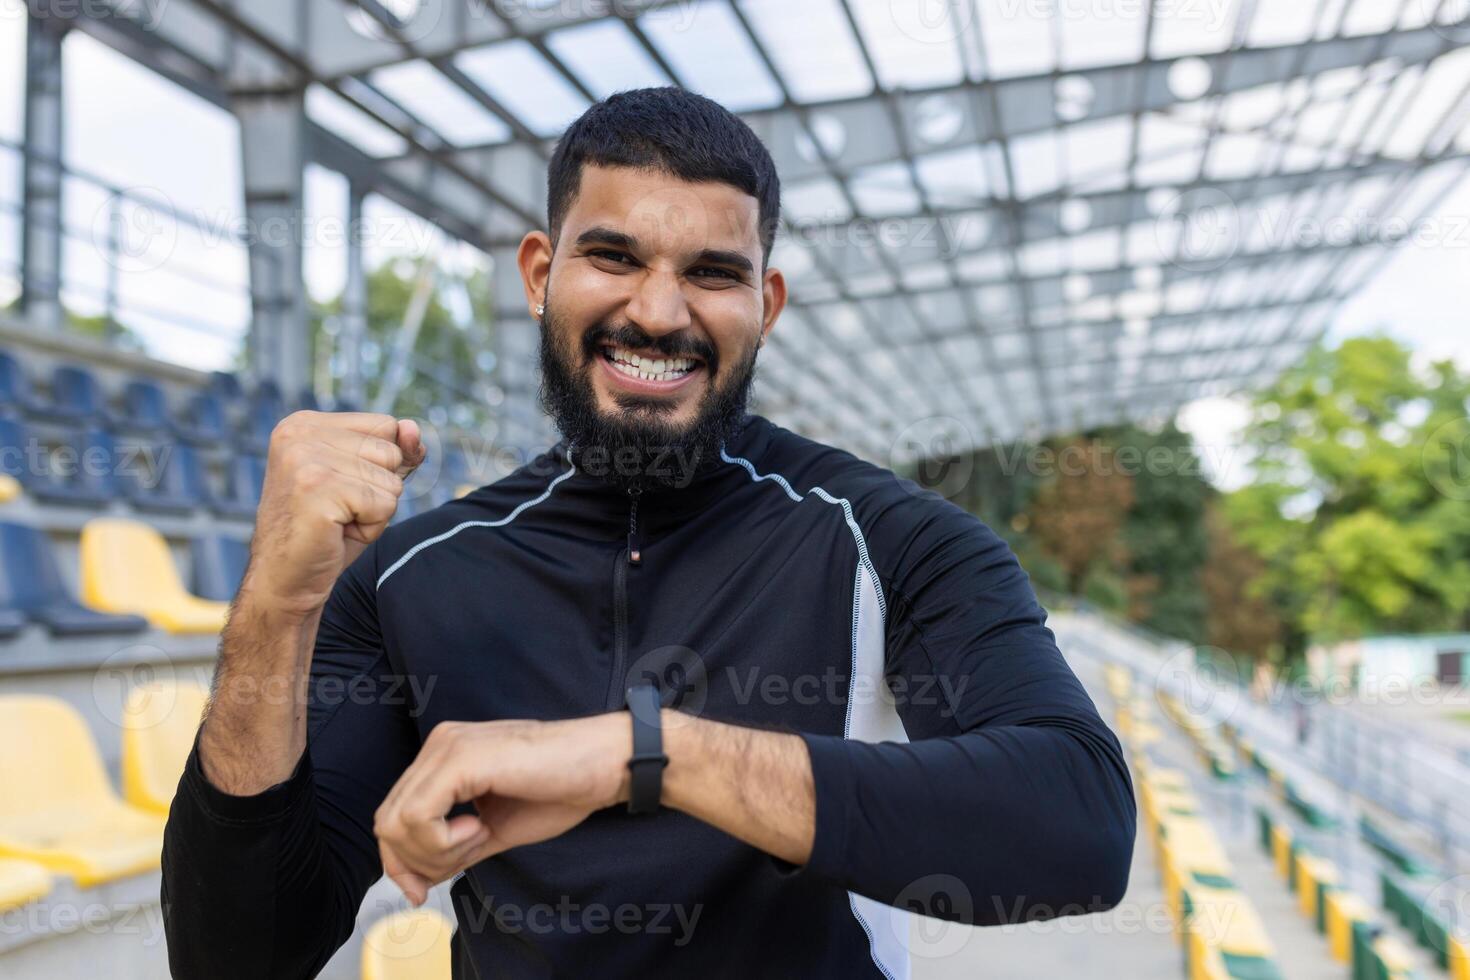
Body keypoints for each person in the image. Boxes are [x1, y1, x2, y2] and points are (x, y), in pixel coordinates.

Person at [161, 86, 1135, 980]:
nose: (659, 312)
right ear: (541, 272)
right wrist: (277, 610)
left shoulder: (893, 537)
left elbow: (1078, 823)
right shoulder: (414, 575)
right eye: (614, 256)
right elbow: (238, 954)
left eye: (713, 272)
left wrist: (642, 754)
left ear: (767, 304)